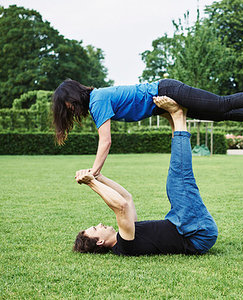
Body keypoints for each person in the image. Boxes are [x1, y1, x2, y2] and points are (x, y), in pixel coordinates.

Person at [52, 78, 243, 177]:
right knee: (218, 115)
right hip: (163, 101)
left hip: (167, 90)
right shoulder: (99, 99)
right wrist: (174, 121)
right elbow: (147, 107)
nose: (71, 110)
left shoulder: (98, 101)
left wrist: (94, 171)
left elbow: (105, 141)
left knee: (220, 104)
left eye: (68, 106)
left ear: (73, 97)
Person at [73, 97, 218, 255]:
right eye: (95, 229)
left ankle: (175, 120)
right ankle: (178, 115)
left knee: (176, 182)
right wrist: (92, 183)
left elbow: (127, 198)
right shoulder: (124, 245)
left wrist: (99, 177)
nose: (100, 224)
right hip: (196, 234)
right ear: (100, 242)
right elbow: (121, 206)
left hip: (183, 224)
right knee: (179, 180)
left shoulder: (128, 232)